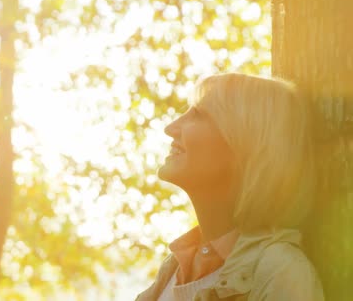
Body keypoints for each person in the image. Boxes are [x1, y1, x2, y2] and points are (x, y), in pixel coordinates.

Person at [135, 73, 324, 301]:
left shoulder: (279, 272)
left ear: (247, 143)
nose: (171, 127)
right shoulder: (174, 267)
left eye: (198, 114)